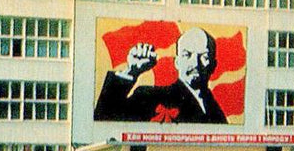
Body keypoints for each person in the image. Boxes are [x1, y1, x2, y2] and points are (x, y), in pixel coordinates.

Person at [93, 27, 228, 123]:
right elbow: (103, 119)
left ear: (214, 65)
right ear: (177, 62)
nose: (195, 63)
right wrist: (131, 72)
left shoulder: (215, 110)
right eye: (187, 55)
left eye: (204, 56)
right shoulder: (151, 97)